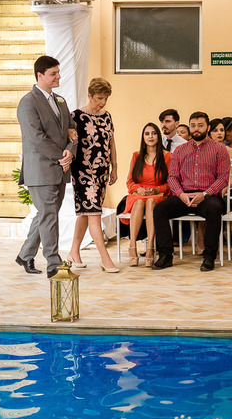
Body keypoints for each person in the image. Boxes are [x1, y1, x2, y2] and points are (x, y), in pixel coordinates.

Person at [15, 55, 77, 278]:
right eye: (53, 73)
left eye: (58, 72)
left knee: (46, 215)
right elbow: (36, 138)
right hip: (40, 170)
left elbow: (72, 130)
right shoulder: (27, 102)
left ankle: (25, 254)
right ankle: (53, 263)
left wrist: (70, 149)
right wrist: (61, 156)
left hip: (60, 169)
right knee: (49, 214)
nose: (58, 76)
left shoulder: (60, 100)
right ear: (40, 75)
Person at [151, 111, 232, 272]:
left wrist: (205, 194)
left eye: (200, 125)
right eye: (193, 125)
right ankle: (165, 255)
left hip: (207, 196)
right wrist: (180, 194)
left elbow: (223, 178)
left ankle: (209, 256)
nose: (196, 129)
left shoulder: (219, 150)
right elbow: (172, 177)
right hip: (184, 196)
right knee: (160, 209)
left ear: (208, 127)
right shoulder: (180, 150)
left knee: (215, 209)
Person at [67, 78, 119, 272]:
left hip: (102, 172)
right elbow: (71, 143)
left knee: (86, 213)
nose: (102, 102)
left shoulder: (107, 116)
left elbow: (111, 143)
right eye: (99, 98)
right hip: (83, 171)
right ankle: (105, 260)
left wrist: (114, 166)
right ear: (89, 95)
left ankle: (74, 251)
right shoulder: (76, 116)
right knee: (94, 214)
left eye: (105, 99)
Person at [123, 123, 171, 267]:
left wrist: (156, 190)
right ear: (143, 137)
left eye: (154, 133)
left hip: (158, 194)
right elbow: (130, 182)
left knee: (150, 201)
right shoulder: (136, 156)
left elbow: (170, 183)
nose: (150, 137)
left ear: (158, 136)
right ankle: (133, 246)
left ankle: (150, 247)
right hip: (138, 194)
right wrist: (138, 189)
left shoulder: (168, 156)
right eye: (147, 134)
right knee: (139, 201)